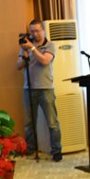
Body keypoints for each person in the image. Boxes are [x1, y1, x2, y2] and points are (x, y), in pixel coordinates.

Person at [16, 19, 63, 161]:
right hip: (28, 89)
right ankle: (31, 149)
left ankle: (56, 150)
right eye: (32, 31)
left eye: (37, 31)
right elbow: (18, 66)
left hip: (46, 88)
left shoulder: (50, 45)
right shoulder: (25, 46)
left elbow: (44, 61)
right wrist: (25, 55)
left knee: (52, 122)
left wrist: (32, 49)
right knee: (29, 123)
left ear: (43, 30)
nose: (34, 34)